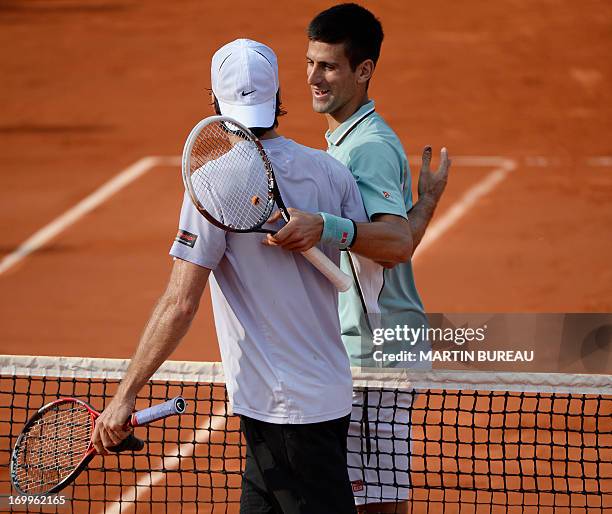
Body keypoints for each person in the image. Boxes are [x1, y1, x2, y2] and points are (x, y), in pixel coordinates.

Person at [91, 38, 369, 514]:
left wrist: (125, 395)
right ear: (278, 97)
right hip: (313, 399)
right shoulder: (328, 171)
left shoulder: (213, 181)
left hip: (286, 411)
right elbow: (370, 249)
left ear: (215, 103)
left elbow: (180, 303)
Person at [264, 4, 451, 513]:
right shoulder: (348, 142)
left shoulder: (366, 147)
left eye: (328, 66)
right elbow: (391, 240)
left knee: (374, 507)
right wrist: (427, 203)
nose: (312, 78)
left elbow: (391, 246)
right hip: (368, 350)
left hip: (374, 356)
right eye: (309, 62)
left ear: (364, 70)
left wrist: (323, 227)